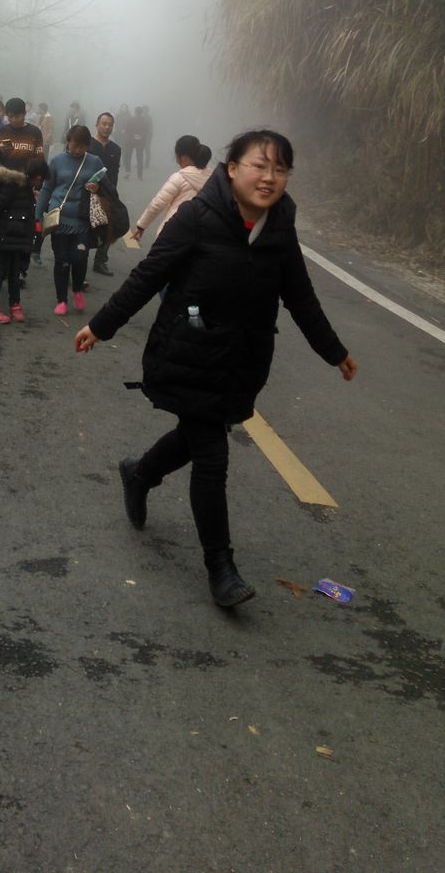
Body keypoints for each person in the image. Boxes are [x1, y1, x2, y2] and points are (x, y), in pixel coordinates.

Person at [75, 129, 358, 608]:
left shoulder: (281, 224)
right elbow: (150, 275)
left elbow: (299, 295)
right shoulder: (197, 217)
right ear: (231, 169)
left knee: (197, 435)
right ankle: (220, 567)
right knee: (211, 455)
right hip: (189, 349)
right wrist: (103, 325)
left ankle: (140, 472)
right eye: (258, 165)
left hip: (243, 358)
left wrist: (333, 351)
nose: (269, 177)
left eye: (280, 169)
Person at [35, 125, 105, 316]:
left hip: (82, 220)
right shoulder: (57, 161)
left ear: (87, 146)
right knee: (62, 260)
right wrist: (38, 215)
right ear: (68, 142)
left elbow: (105, 188)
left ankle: (77, 290)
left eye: (82, 147)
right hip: (59, 218)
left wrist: (96, 188)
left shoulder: (95, 162)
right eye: (74, 145)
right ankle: (61, 300)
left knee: (80, 258)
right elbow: (47, 189)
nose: (77, 150)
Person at [0, 157, 48, 323]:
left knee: (14, 273)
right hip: (4, 237)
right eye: (41, 178)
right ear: (37, 176)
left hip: (15, 238)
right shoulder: (16, 186)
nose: (41, 182)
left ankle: (15, 304)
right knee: (0, 272)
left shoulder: (27, 188)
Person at [131, 136, 212, 245]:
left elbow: (157, 204)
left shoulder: (179, 178)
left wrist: (141, 226)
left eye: (177, 156)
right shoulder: (212, 179)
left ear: (183, 157)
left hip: (173, 233)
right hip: (201, 237)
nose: (177, 161)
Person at [89, 111, 122, 276]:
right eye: (104, 123)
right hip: (86, 191)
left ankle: (100, 261)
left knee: (110, 226)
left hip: (106, 193)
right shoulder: (87, 144)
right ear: (96, 125)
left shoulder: (116, 149)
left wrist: (113, 194)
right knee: (85, 228)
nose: (107, 127)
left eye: (110, 124)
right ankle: (77, 259)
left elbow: (114, 173)